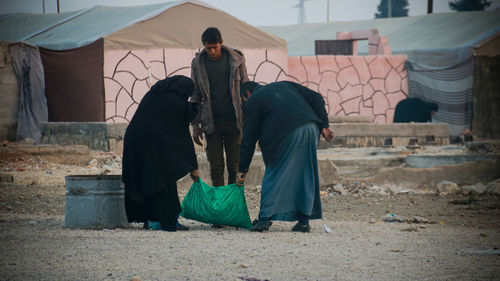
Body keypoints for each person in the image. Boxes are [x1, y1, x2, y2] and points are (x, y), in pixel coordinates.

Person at [236, 81, 334, 233]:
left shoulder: (254, 100)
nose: (244, 105)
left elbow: (248, 138)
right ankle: (303, 222)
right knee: (305, 174)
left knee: (274, 172)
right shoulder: (285, 85)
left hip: (287, 134)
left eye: (243, 101)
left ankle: (264, 219)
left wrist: (242, 168)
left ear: (247, 94)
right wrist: (325, 126)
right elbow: (316, 98)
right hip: (312, 129)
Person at [122, 75, 199, 232]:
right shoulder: (175, 102)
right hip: (152, 144)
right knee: (163, 181)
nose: (187, 98)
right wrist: (193, 166)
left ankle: (150, 219)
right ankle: (166, 221)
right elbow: (183, 135)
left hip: (135, 141)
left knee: (145, 181)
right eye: (187, 94)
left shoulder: (156, 94)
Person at [190, 27, 249, 189]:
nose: (212, 51)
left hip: (234, 123)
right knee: (216, 168)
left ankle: (232, 205)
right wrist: (195, 127)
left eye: (215, 47)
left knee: (234, 167)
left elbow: (246, 89)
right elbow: (195, 96)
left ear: (221, 43)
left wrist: (249, 121)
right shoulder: (198, 64)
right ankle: (219, 204)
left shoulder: (236, 60)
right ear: (204, 46)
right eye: (208, 48)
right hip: (211, 124)